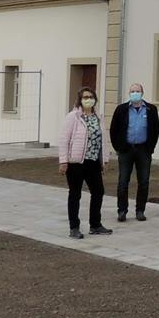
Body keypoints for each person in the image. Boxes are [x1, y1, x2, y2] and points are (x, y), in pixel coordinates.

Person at [58, 87, 113, 239]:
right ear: (80, 100)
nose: (88, 99)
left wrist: (105, 159)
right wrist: (63, 161)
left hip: (93, 161)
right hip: (76, 162)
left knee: (98, 191)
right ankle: (74, 227)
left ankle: (95, 225)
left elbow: (104, 140)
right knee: (75, 194)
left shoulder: (98, 117)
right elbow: (64, 140)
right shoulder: (73, 117)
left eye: (90, 97)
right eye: (85, 97)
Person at [109, 83, 159, 222]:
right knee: (123, 182)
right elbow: (113, 130)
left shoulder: (151, 109)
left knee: (143, 181)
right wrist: (118, 148)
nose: (135, 93)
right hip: (126, 150)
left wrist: (150, 148)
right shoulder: (121, 109)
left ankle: (140, 210)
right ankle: (122, 210)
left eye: (137, 91)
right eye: (132, 91)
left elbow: (156, 130)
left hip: (143, 150)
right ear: (129, 93)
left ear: (142, 93)